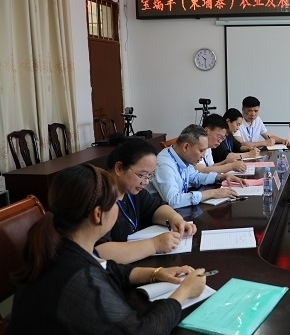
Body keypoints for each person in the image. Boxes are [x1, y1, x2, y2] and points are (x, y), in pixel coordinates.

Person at [7, 164, 207, 334]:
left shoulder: (58, 246)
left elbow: (106, 267)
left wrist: (155, 273)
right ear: (98, 215)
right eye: (115, 202)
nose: (119, 206)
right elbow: (141, 332)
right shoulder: (82, 281)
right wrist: (184, 292)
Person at [94, 138, 197, 264]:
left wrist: (175, 219)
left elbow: (155, 207)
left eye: (150, 175)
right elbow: (99, 252)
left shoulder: (131, 190)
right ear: (119, 168)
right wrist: (154, 245)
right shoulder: (97, 197)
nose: (146, 181)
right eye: (141, 175)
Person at [150, 124, 245, 209]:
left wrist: (220, 177)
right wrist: (213, 193)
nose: (203, 155)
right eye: (201, 150)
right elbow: (173, 201)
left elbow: (195, 177)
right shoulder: (164, 164)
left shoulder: (182, 157)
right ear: (186, 147)